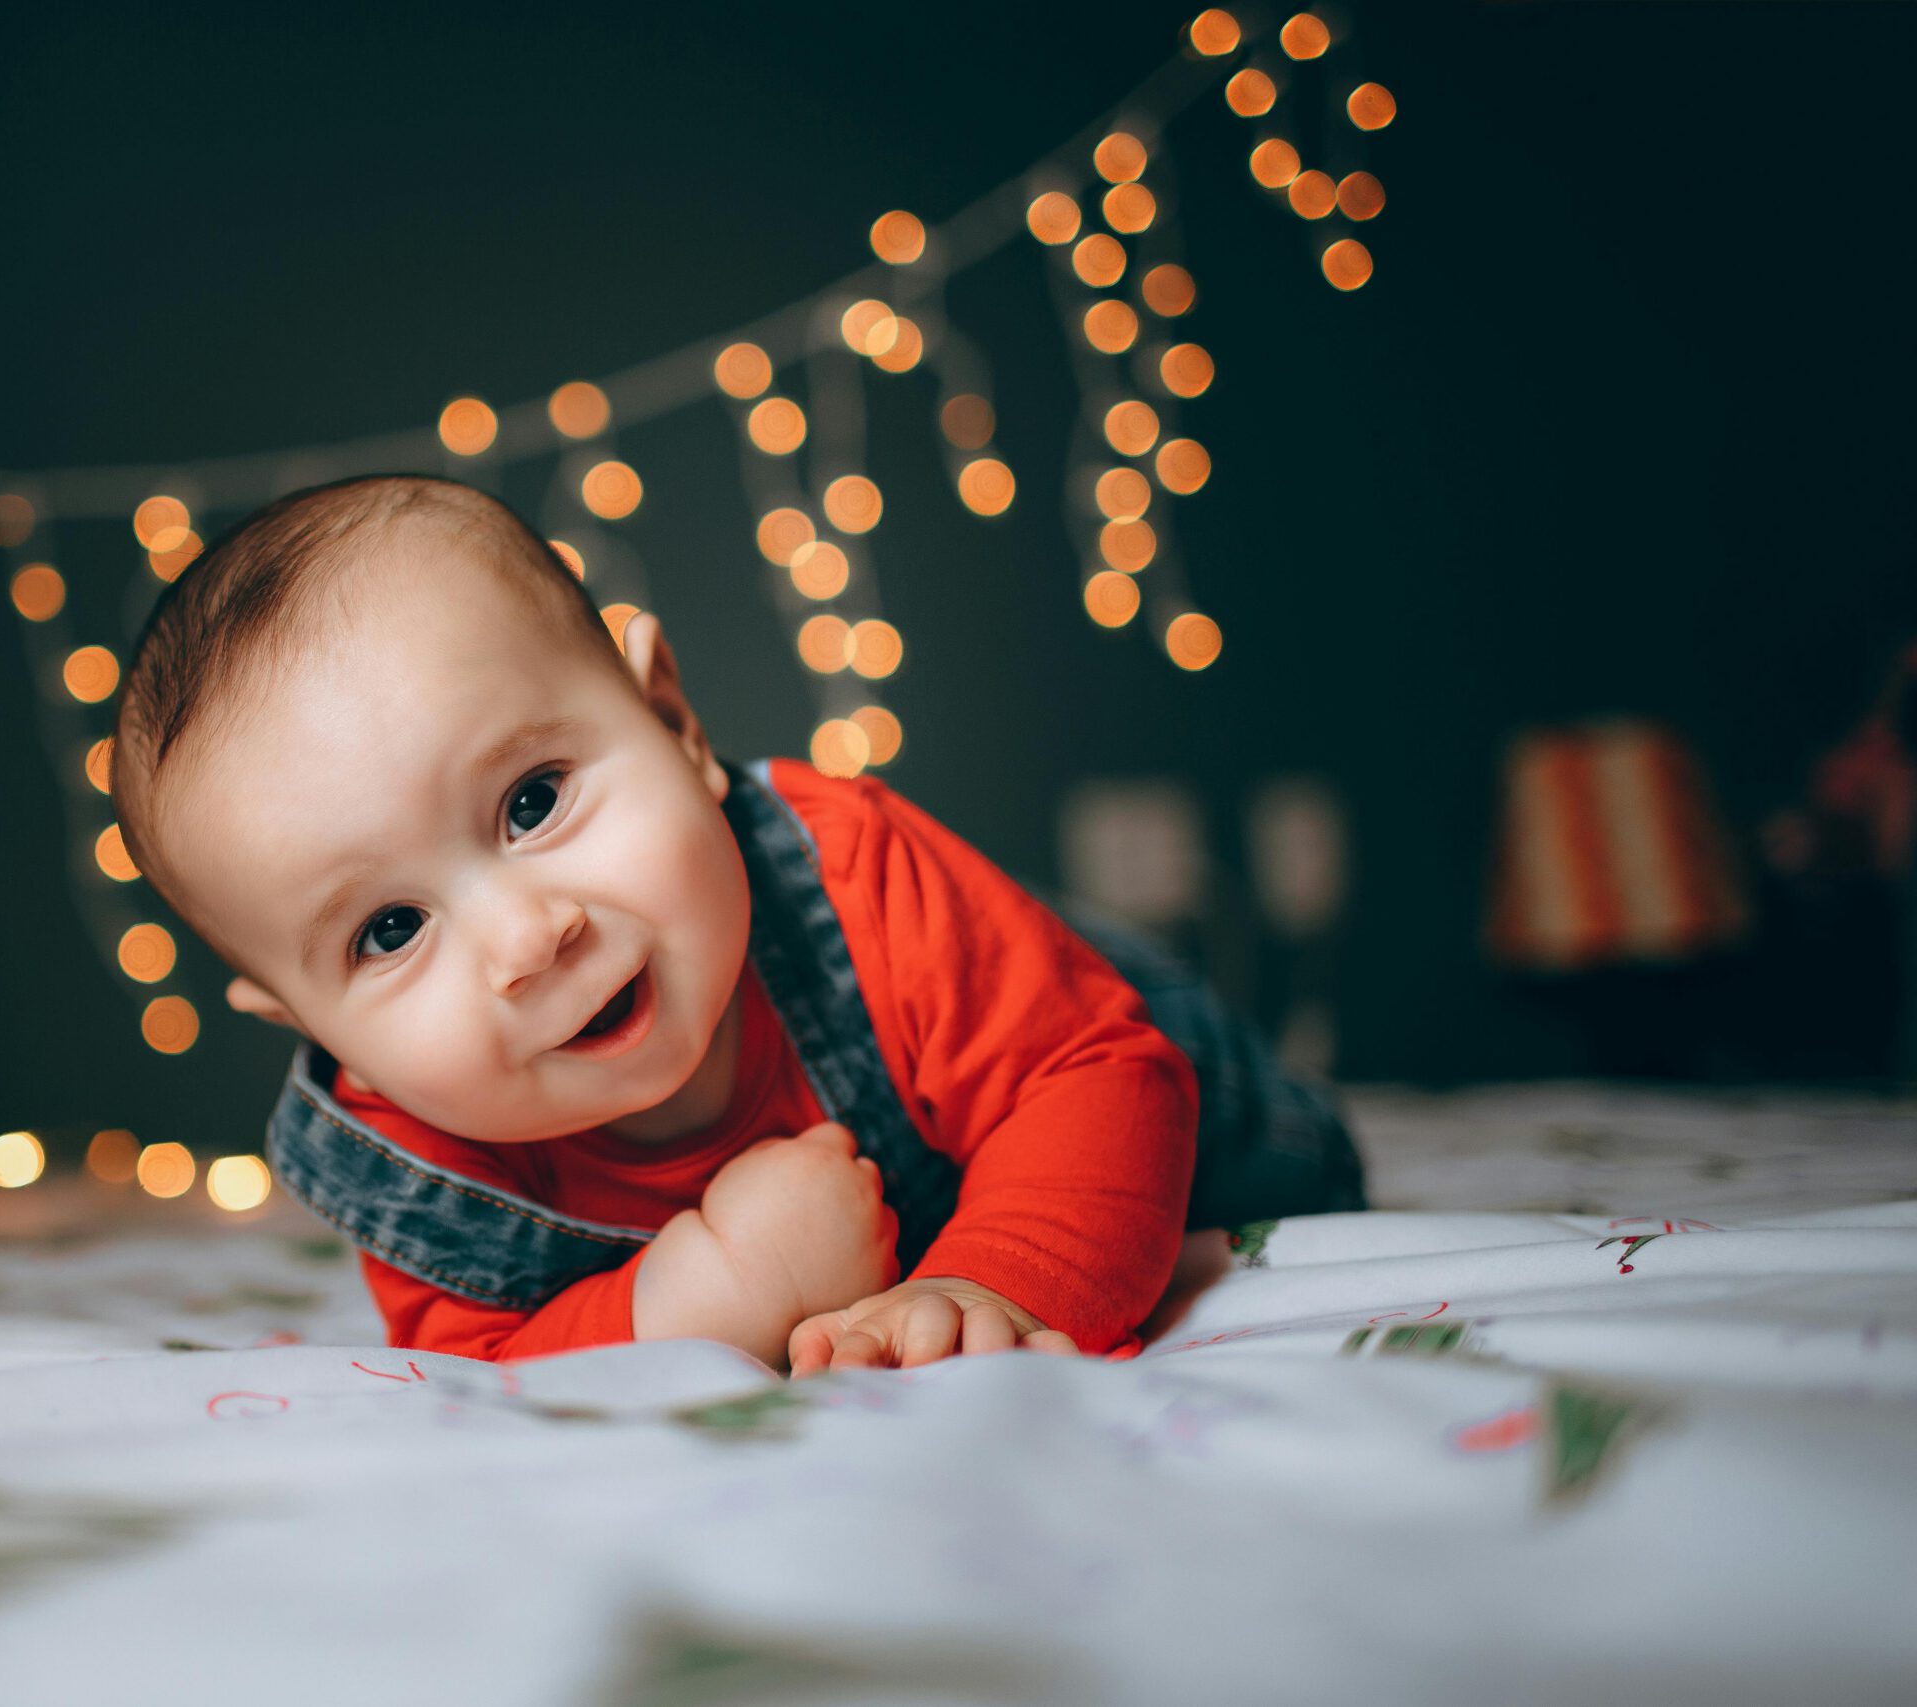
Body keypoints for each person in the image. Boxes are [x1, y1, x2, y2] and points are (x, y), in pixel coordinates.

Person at [109, 474, 1363, 1374]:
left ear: (671, 721)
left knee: (1266, 1161)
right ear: (307, 1024)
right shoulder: (416, 1163)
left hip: (1160, 1078)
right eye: (387, 931)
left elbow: (1093, 1074)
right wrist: (713, 1296)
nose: (526, 938)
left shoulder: (856, 875)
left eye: (532, 802)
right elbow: (490, 1363)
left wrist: (992, 1283)